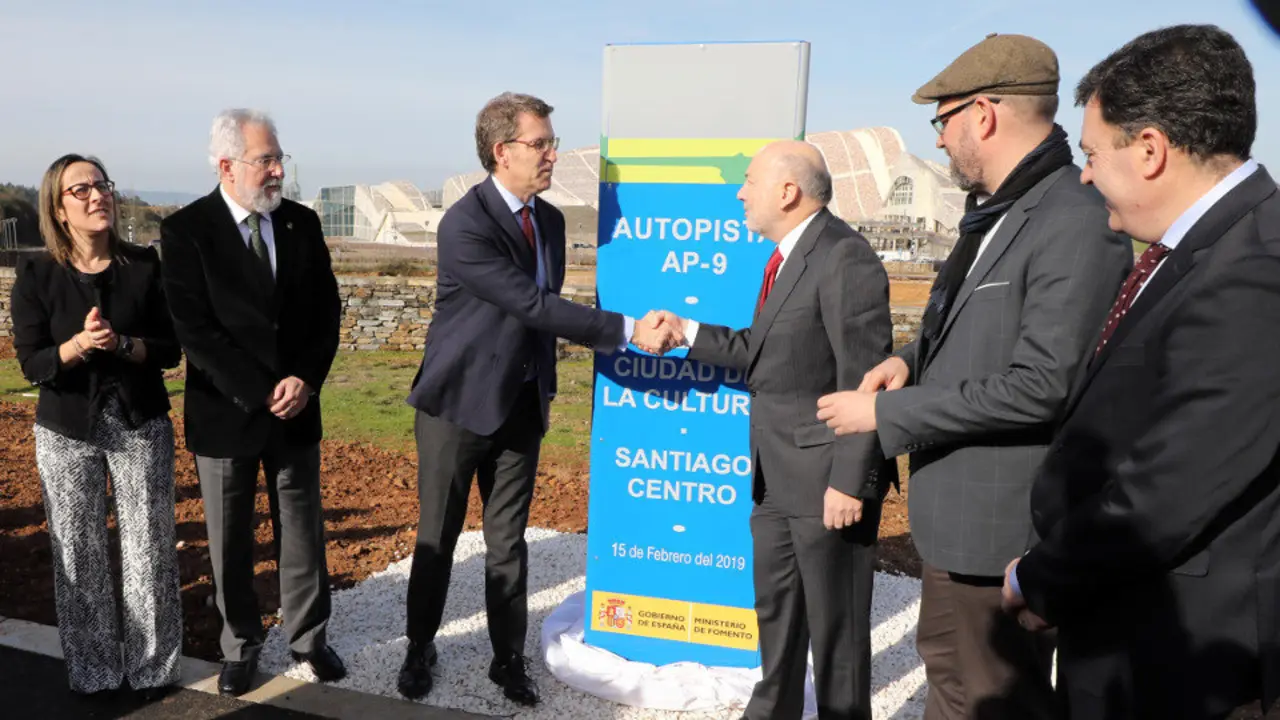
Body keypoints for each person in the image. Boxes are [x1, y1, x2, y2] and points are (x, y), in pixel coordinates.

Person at [813, 34, 1132, 719]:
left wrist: (884, 417)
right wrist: (909, 361)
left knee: (993, 699)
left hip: (1000, 533)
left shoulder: (1073, 220)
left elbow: (1043, 383)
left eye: (943, 120)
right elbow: (971, 329)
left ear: (983, 114)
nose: (938, 140)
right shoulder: (994, 210)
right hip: (958, 525)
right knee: (953, 680)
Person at [999, 25, 1280, 719]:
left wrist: (1040, 580)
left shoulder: (1254, 271)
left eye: (1093, 154)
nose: (1085, 174)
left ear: (1150, 149)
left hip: (1183, 664)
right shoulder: (1208, 251)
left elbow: (1171, 485)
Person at [398, 92, 669, 705]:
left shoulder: (549, 221)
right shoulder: (464, 224)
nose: (552, 154)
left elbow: (541, 313)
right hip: (456, 406)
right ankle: (419, 646)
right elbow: (531, 304)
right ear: (502, 151)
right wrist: (628, 329)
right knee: (438, 538)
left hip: (521, 405)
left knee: (508, 541)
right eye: (540, 143)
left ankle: (507, 658)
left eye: (552, 142)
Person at [653, 140, 893, 720]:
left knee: (837, 641)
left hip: (826, 486)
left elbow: (865, 382)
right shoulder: (789, 257)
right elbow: (767, 357)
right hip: (775, 479)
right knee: (777, 621)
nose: (740, 193)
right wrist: (686, 331)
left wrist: (850, 483)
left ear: (788, 192)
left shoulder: (844, 257)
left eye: (749, 181)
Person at [160, 109, 345, 696]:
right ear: (226, 166)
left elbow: (326, 312)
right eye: (265, 160)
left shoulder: (300, 224)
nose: (277, 171)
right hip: (226, 414)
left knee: (303, 532)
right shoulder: (187, 231)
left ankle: (309, 637)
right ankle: (239, 647)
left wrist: (306, 379)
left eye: (278, 158)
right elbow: (196, 331)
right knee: (230, 541)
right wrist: (261, 389)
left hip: (297, 409)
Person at [11, 154, 183, 698]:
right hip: (65, 431)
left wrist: (124, 345)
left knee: (149, 550)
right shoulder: (36, 275)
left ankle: (153, 670)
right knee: (78, 554)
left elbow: (170, 349)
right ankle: (95, 673)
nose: (96, 196)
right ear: (58, 208)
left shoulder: (145, 266)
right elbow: (33, 365)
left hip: (139, 423)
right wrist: (81, 345)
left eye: (101, 185)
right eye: (80, 190)